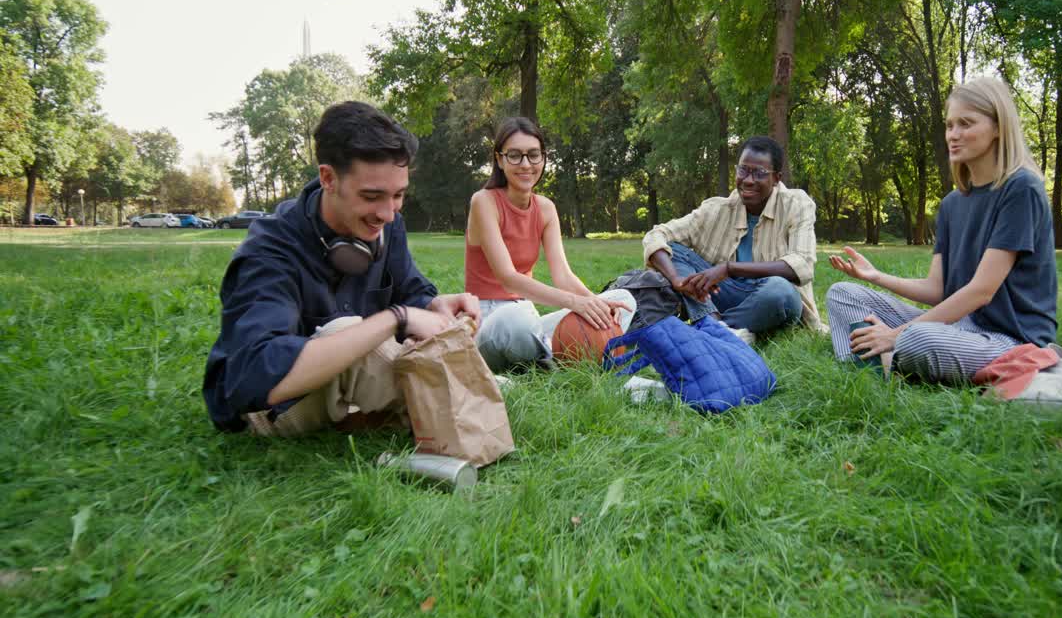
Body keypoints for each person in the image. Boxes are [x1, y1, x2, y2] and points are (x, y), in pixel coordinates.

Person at [203, 101, 481, 436]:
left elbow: (411, 291)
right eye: (371, 196)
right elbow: (252, 377)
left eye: (398, 195)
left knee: (386, 337)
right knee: (349, 332)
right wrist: (396, 318)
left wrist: (432, 306)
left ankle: (424, 401)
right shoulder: (270, 249)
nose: (387, 213)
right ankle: (450, 401)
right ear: (328, 178)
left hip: (348, 387)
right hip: (268, 408)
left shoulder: (388, 226)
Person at [825, 77, 1057, 383]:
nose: (954, 135)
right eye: (949, 125)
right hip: (958, 327)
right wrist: (876, 277)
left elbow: (981, 291)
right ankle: (874, 369)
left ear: (999, 127)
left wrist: (895, 334)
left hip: (1010, 340)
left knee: (917, 339)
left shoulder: (1021, 189)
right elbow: (938, 290)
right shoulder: (951, 204)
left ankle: (884, 358)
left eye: (966, 124)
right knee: (842, 294)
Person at [465, 116, 634, 371]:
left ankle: (548, 357)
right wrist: (575, 303)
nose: (526, 164)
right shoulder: (483, 201)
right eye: (514, 155)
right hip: (490, 322)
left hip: (528, 318)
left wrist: (593, 302)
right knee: (517, 317)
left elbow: (563, 275)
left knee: (624, 299)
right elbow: (508, 278)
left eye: (534, 155)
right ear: (499, 159)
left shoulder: (545, 208)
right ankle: (559, 363)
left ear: (543, 158)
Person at [642, 136, 821, 338]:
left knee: (780, 291)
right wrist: (676, 279)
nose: (748, 180)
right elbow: (657, 235)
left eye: (760, 173)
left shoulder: (796, 204)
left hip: (770, 298)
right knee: (673, 251)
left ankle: (712, 328)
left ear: (777, 178)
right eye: (743, 169)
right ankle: (718, 326)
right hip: (721, 295)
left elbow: (802, 265)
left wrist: (729, 268)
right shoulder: (716, 209)